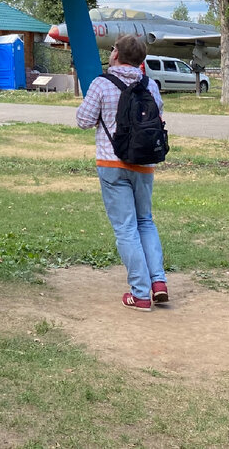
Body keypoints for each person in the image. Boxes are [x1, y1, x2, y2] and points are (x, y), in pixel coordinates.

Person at [75, 32, 168, 312]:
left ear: (115, 54)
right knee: (145, 222)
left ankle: (139, 294)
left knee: (126, 229)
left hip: (112, 164)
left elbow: (83, 120)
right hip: (144, 164)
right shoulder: (150, 85)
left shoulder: (101, 84)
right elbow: (159, 116)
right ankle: (158, 282)